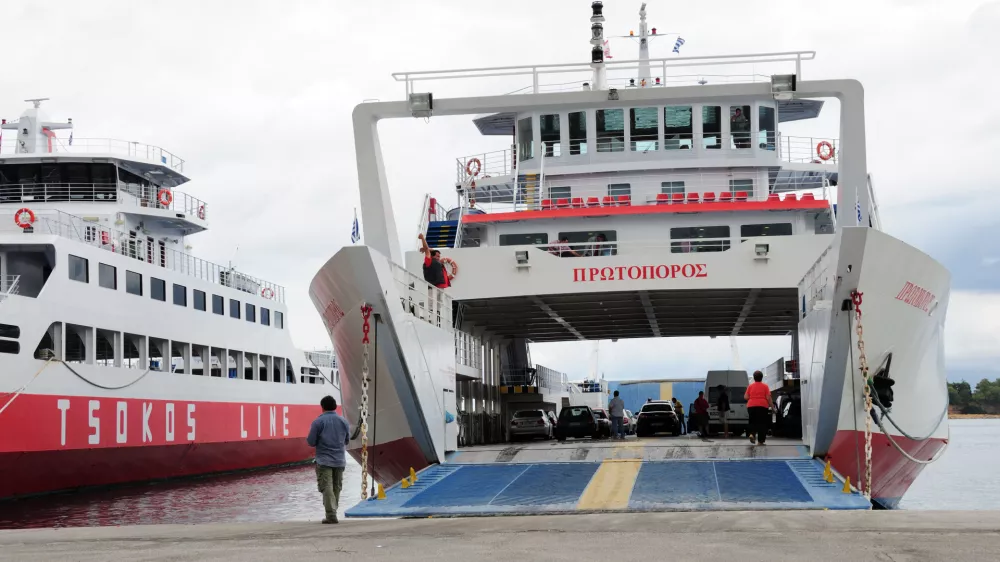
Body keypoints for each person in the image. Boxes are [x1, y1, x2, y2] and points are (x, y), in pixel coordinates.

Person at [306, 395, 351, 524]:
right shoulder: (344, 422)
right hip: (339, 460)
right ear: (335, 407)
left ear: (322, 407)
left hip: (324, 460)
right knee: (337, 487)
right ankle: (333, 512)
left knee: (327, 487)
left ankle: (331, 515)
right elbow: (347, 440)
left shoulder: (318, 422)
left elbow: (311, 442)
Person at [745, 370, 774, 446]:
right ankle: (760, 441)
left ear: (754, 378)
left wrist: (753, 398)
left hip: (751, 406)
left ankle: (752, 434)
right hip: (762, 406)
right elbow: (768, 398)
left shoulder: (750, 386)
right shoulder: (765, 386)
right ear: (762, 377)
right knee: (762, 423)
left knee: (752, 421)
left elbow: (746, 397)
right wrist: (773, 407)